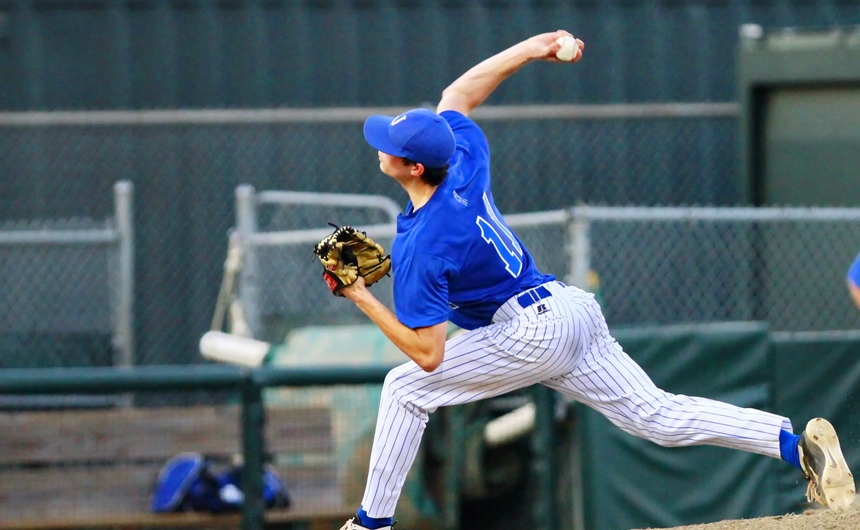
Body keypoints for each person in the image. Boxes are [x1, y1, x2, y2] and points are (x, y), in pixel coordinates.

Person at [334, 30, 855, 530]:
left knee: (404, 387)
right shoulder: (463, 162)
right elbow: (459, 94)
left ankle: (371, 523)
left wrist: (360, 295)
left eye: (389, 144)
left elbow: (428, 356)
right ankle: (794, 445)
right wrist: (532, 48)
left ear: (414, 168)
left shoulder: (423, 244)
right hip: (568, 309)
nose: (379, 146)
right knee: (657, 416)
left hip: (530, 332)